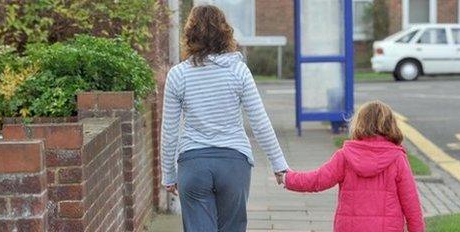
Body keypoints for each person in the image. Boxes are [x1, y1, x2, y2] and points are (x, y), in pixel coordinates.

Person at [161, 5, 289, 232]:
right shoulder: (239, 71)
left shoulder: (178, 75)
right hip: (234, 164)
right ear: (225, 32)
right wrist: (279, 165)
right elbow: (260, 122)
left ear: (190, 34)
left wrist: (168, 174)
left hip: (193, 164)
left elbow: (170, 131)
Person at [284, 100, 425, 232]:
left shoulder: (345, 156)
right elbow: (411, 203)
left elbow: (317, 180)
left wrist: (287, 178)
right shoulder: (397, 158)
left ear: (359, 124)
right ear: (391, 125)